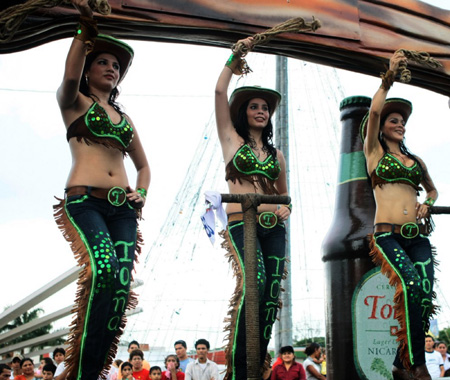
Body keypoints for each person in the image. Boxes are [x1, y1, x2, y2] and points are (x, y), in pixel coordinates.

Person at [53, 1, 150, 380]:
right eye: (103, 62)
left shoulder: (125, 119)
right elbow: (68, 73)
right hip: (84, 202)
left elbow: (143, 166)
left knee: (122, 285)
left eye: (116, 66)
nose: (110, 68)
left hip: (122, 209)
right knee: (104, 270)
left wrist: (142, 192)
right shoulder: (74, 102)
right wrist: (84, 29)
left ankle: (90, 372)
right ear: (89, 70)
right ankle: (78, 372)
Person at [215, 36, 291, 380]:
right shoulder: (231, 140)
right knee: (255, 281)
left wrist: (284, 210)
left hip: (272, 228)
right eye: (254, 106)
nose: (260, 111)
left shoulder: (277, 156)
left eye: (265, 108)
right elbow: (218, 94)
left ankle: (255, 368)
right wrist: (235, 58)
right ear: (243, 112)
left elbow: (284, 198)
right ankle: (238, 370)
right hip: (240, 221)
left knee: (271, 293)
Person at [362, 51, 438, 380]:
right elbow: (375, 110)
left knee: (422, 292)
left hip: (417, 236)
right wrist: (388, 78)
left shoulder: (415, 161)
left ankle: (397, 364)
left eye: (402, 121)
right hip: (387, 234)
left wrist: (429, 203)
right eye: (394, 121)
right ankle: (417, 366)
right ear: (381, 129)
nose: (400, 124)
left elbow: (432, 190)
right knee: (408, 283)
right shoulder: (374, 152)